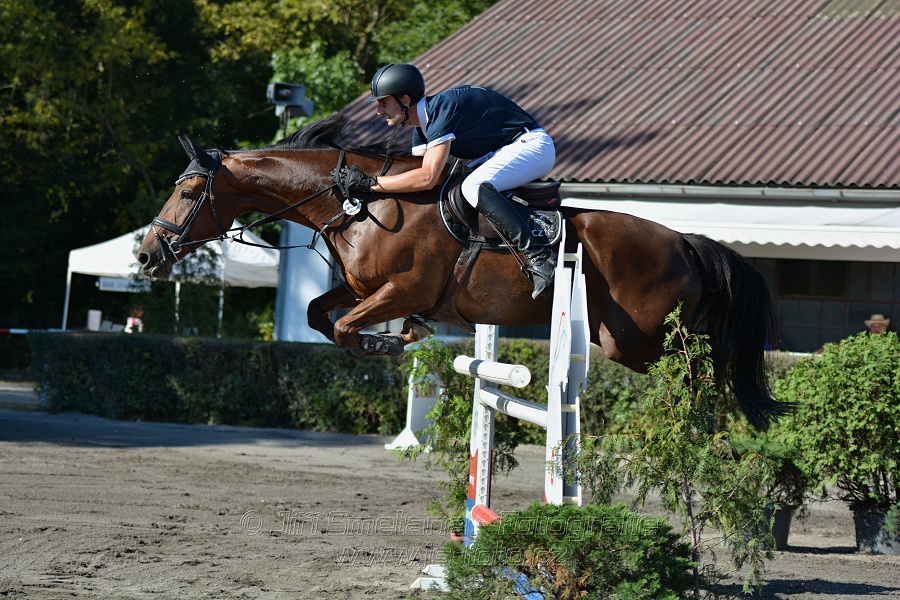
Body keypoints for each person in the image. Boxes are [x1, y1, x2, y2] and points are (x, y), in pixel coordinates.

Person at [332, 63, 557, 299]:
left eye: (383, 102)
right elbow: (416, 177)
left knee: (473, 187)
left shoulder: (442, 109)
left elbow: (428, 177)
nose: (379, 111)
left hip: (533, 147)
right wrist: (365, 189)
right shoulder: (422, 128)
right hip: (502, 151)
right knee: (454, 188)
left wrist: (371, 183)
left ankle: (539, 256)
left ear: (405, 100)